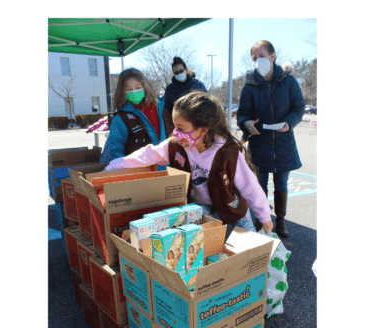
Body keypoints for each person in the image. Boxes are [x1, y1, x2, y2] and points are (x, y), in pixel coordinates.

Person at [105, 91, 274, 237]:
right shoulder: (175, 145)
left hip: (231, 204)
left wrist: (264, 216)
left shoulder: (227, 151)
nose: (175, 133)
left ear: (203, 130)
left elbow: (249, 186)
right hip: (199, 205)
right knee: (203, 240)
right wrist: (115, 165)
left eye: (181, 128)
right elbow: (147, 155)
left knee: (250, 240)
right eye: (175, 127)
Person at [236, 40, 305, 239]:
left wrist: (289, 123)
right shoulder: (249, 86)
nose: (258, 60)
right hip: (259, 144)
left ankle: (281, 221)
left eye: (261, 55)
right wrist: (247, 123)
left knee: (281, 185)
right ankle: (261, 221)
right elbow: (242, 115)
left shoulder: (288, 81)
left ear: (273, 57)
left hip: (284, 143)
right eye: (254, 58)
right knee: (259, 186)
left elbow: (299, 108)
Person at [100, 68, 167, 164]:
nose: (134, 92)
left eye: (137, 87)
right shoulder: (120, 118)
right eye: (129, 89)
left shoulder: (160, 107)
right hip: (140, 173)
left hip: (165, 169)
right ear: (122, 92)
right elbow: (117, 152)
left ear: (144, 86)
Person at [162, 57, 207, 135]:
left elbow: (207, 103)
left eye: (181, 71)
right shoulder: (170, 89)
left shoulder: (198, 84)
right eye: (176, 72)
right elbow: (168, 110)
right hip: (181, 128)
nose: (179, 73)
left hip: (198, 125)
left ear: (185, 70)